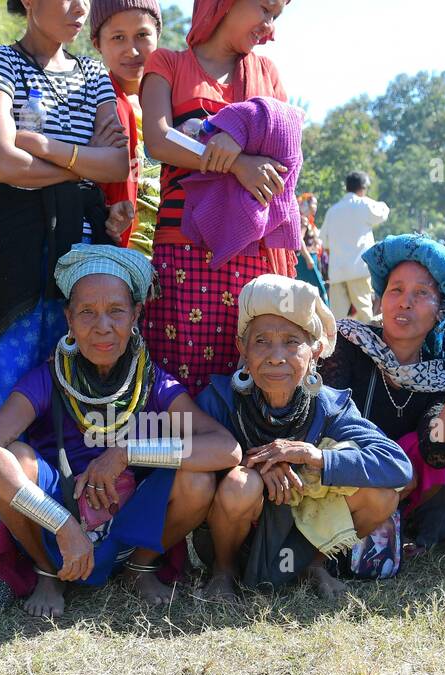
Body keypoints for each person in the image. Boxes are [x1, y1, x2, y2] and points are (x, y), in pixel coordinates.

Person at [0, 0, 129, 609]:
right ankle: (6, 559)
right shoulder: (0, 63)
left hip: (81, 274)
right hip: (10, 277)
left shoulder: (92, 75)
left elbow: (119, 163)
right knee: (6, 417)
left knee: (80, 414)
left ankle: (78, 544)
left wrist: (39, 148)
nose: (80, 7)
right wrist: (75, 166)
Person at [0, 245, 239, 618]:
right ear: (69, 320)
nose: (102, 327)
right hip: (56, 526)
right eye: (87, 312)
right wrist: (61, 523)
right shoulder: (49, 378)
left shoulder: (154, 383)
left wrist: (125, 454)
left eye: (116, 311)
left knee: (199, 482)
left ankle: (140, 567)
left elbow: (227, 449)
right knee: (16, 463)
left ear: (136, 315)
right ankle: (48, 571)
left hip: (128, 527)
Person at [197, 273, 412, 601]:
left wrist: (313, 458)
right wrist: (253, 466)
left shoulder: (330, 405)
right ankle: (224, 570)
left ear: (314, 350)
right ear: (241, 347)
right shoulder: (220, 399)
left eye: (292, 342)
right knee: (242, 486)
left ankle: (313, 565)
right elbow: (187, 469)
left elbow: (398, 466)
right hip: (236, 525)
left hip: (302, 525)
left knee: (382, 497)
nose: (276, 356)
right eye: (261, 341)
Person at [139, 0, 294, 395]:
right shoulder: (167, 63)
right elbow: (158, 139)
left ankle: (235, 456)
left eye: (276, 16)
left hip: (249, 254)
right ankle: (169, 458)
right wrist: (237, 162)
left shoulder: (268, 73)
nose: (269, 27)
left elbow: (287, 151)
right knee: (172, 379)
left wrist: (224, 144)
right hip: (180, 250)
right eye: (265, 8)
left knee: (243, 378)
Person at [320, 234, 445, 555]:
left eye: (421, 293)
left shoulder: (441, 370)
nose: (405, 302)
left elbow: (437, 454)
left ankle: (397, 525)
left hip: (398, 489)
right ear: (380, 302)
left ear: (440, 312)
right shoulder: (348, 342)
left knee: (423, 456)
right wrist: (380, 466)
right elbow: (325, 423)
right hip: (340, 472)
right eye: (396, 290)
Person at [90, 0, 162, 248]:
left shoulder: (177, 103)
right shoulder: (92, 104)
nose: (132, 50)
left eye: (142, 35)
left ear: (158, 35)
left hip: (175, 255)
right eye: (118, 37)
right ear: (97, 44)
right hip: (120, 254)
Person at [320, 171, 389, 322]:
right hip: (358, 270)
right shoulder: (364, 205)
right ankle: (365, 345)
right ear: (363, 188)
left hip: (337, 271)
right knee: (365, 313)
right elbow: (383, 212)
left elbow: (323, 242)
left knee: (337, 318)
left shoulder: (333, 211)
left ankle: (337, 345)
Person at [295, 192, 326, 300]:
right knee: (318, 292)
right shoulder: (303, 220)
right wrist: (308, 258)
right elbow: (299, 240)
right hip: (305, 260)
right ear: (306, 205)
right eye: (314, 204)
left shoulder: (308, 221)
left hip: (309, 258)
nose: (315, 207)